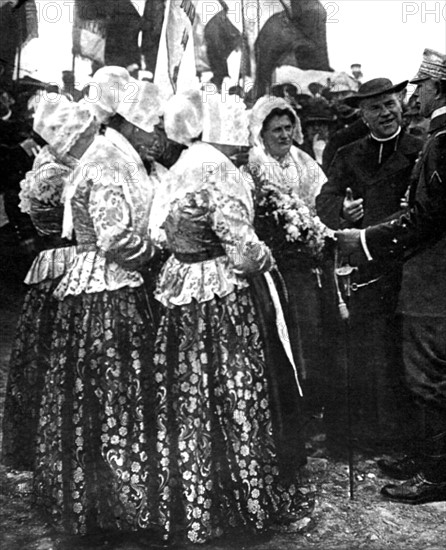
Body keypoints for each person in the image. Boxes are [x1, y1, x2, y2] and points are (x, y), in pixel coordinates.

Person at [150, 90, 308, 544]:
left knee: (191, 395)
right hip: (220, 295)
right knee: (236, 392)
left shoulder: (183, 163)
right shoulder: (220, 170)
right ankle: (244, 501)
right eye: (243, 142)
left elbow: (156, 232)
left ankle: (193, 499)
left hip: (181, 287)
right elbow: (242, 249)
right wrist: (267, 256)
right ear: (229, 135)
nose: (246, 151)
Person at [33, 74, 164, 535]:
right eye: (156, 128)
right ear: (131, 123)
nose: (161, 138)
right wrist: (158, 254)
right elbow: (113, 237)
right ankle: (113, 504)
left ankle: (104, 501)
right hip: (107, 289)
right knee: (113, 393)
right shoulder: (108, 162)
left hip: (107, 286)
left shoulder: (118, 155)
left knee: (104, 394)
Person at [336, 48, 446, 503]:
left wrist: (363, 240)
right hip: (427, 277)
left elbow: (425, 216)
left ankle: (437, 475)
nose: (411, 96)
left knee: (427, 379)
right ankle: (428, 459)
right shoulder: (438, 136)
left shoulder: (440, 139)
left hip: (433, 282)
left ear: (436, 87)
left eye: (418, 86)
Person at [316, 78, 423, 454]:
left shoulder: (420, 150)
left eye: (390, 104)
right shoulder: (349, 154)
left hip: (407, 265)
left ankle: (401, 438)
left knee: (399, 354)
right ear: (363, 114)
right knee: (365, 352)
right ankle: (366, 435)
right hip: (364, 269)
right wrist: (341, 211)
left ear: (401, 106)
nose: (386, 113)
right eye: (375, 108)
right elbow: (324, 201)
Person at [2, 97, 98, 471]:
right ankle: (54, 441)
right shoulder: (56, 171)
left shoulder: (51, 163)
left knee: (48, 352)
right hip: (66, 260)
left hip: (52, 260)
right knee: (61, 354)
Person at [247, 96, 330, 413]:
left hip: (301, 258)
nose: (283, 135)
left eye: (287, 128)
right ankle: (284, 404)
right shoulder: (253, 163)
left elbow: (321, 199)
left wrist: (312, 228)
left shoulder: (304, 161)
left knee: (307, 327)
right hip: (268, 261)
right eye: (275, 130)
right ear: (261, 132)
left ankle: (310, 400)